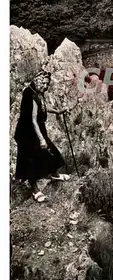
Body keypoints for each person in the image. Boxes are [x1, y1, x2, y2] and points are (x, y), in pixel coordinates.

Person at [14, 70, 70, 202]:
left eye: (47, 85)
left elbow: (43, 106)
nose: (46, 87)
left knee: (51, 151)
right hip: (27, 134)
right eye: (44, 84)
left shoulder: (38, 93)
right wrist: (41, 139)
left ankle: (54, 174)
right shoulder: (29, 94)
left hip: (37, 129)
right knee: (30, 161)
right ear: (38, 81)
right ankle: (35, 190)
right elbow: (33, 119)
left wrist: (57, 111)